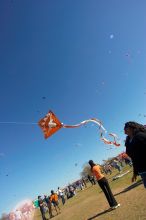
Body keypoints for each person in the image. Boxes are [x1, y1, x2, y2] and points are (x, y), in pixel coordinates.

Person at [124, 121, 146, 187]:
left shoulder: (141, 136)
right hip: (142, 170)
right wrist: (135, 172)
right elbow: (134, 158)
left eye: (125, 128)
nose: (124, 130)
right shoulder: (128, 141)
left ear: (131, 128)